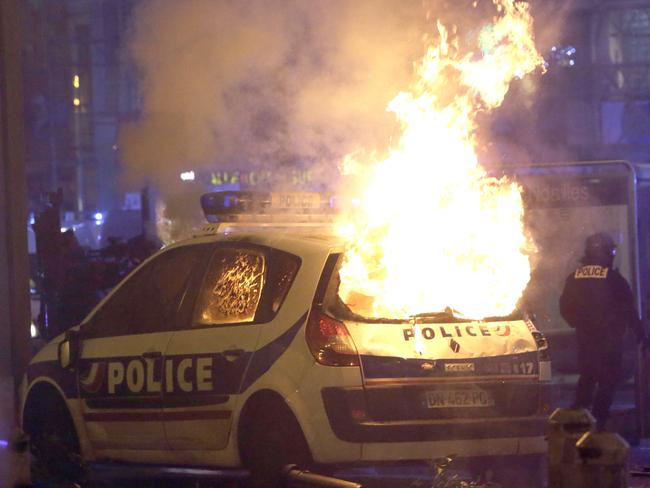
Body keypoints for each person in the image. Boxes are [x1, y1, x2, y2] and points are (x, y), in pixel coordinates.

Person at [559, 232, 646, 431]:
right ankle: (598, 424)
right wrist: (641, 334)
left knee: (587, 378)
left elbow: (564, 307)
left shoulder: (574, 278)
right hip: (609, 341)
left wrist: (579, 324)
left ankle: (578, 424)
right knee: (607, 382)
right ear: (606, 253)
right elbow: (629, 310)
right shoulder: (614, 279)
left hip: (585, 339)